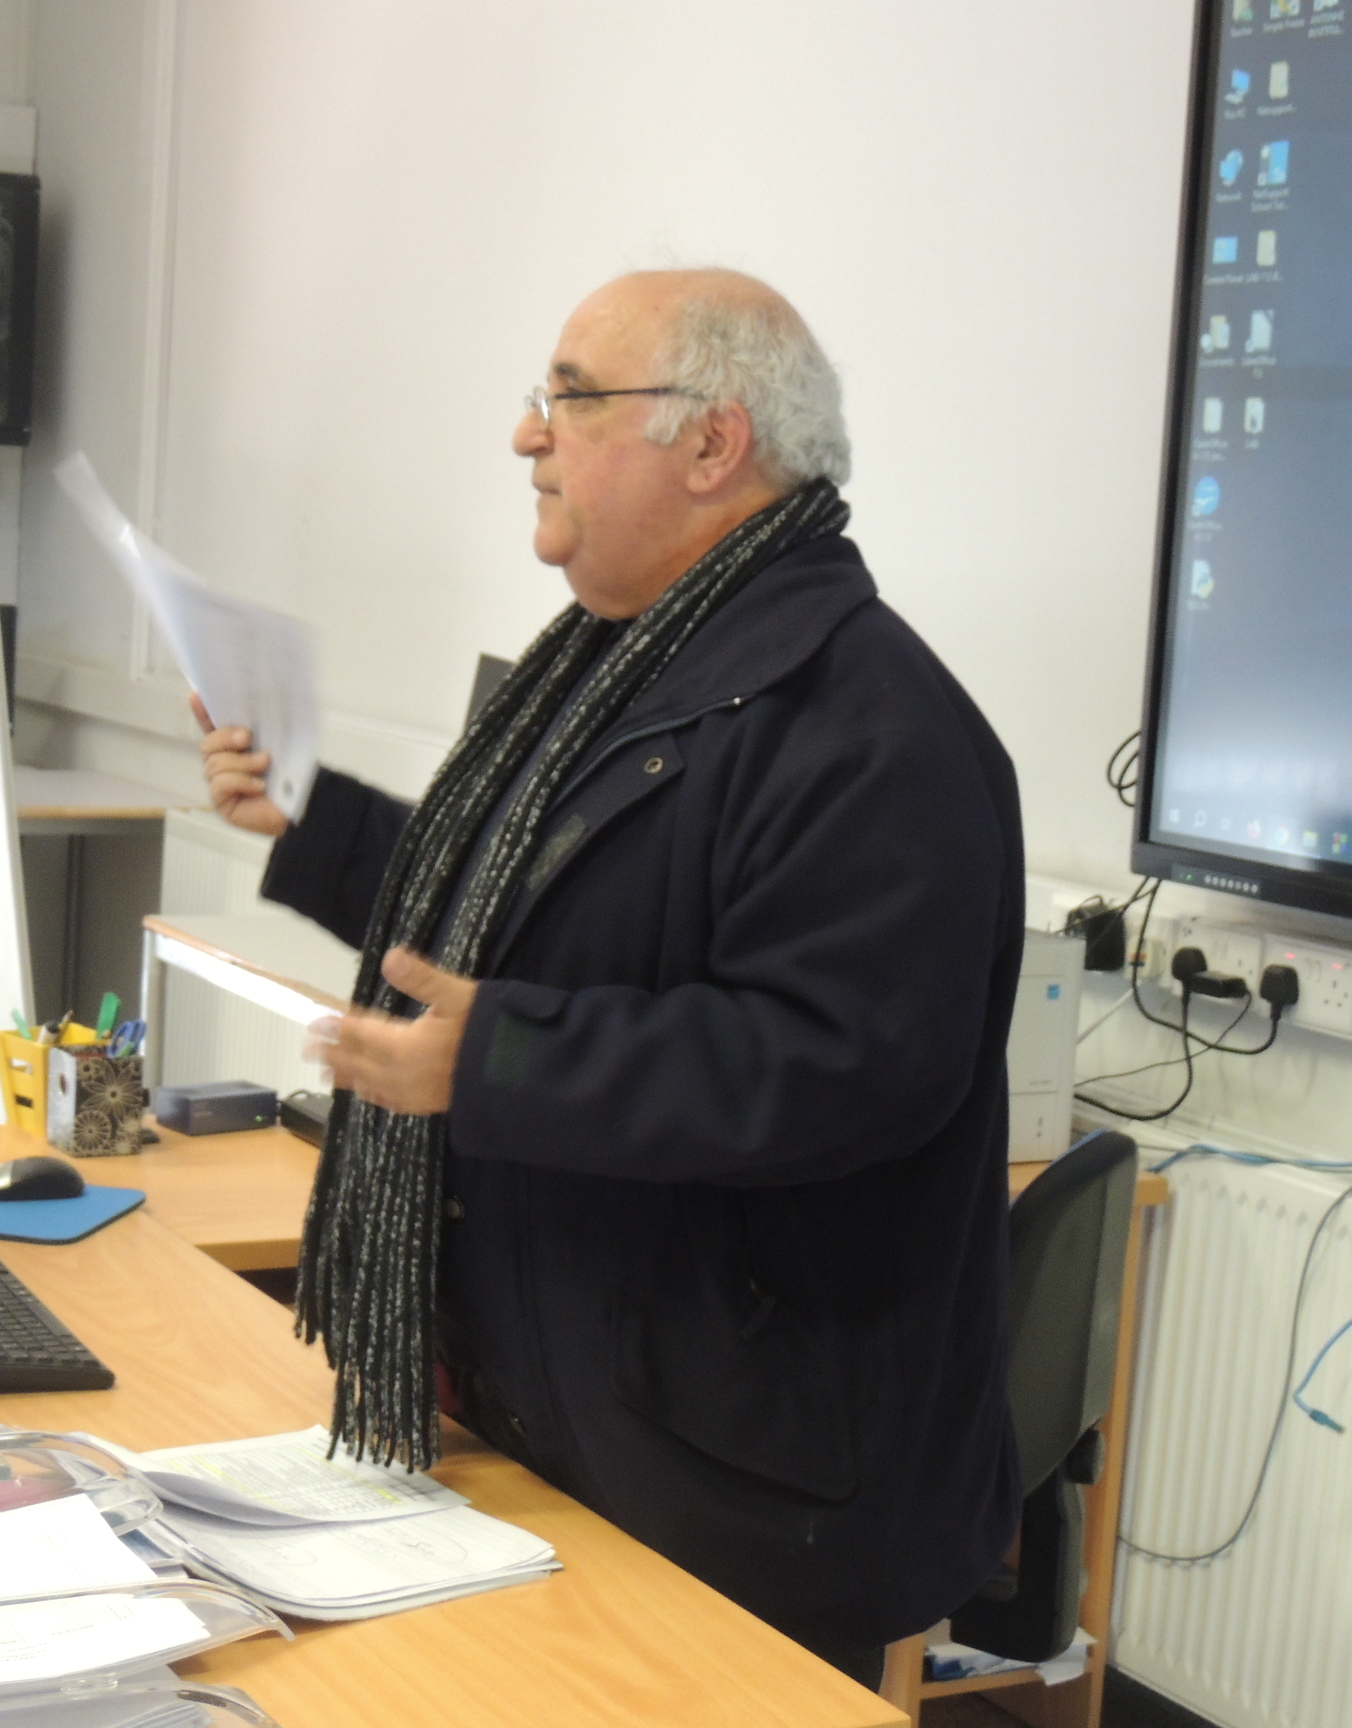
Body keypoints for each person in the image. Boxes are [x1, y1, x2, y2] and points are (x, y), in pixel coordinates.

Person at [195, 269, 1025, 1680]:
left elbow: (832, 1068)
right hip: (588, 1420)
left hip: (748, 1489)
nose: (529, 434)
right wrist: (316, 827)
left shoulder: (871, 729)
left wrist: (496, 1062)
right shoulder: (627, 668)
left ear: (713, 443)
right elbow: (530, 921)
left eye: (573, 399)